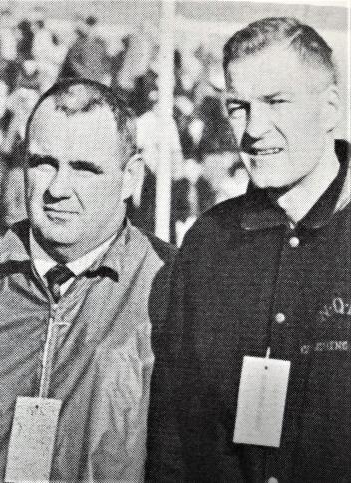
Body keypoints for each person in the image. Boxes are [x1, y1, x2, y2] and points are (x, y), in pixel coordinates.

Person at [0, 79, 174, 481]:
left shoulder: (170, 288)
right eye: (43, 163)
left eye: (85, 169)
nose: (58, 189)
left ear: (131, 176)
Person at [148, 17, 350, 482]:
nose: (253, 129)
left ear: (329, 108)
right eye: (238, 107)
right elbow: (173, 431)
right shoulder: (208, 243)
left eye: (276, 102)